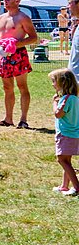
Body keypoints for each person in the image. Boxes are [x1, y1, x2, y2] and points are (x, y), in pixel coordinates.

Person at [0, 0, 39, 128]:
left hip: (18, 55)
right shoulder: (2, 17)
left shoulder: (23, 17)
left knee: (22, 86)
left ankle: (23, 120)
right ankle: (8, 119)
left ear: (17, 1)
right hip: (3, 55)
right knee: (7, 87)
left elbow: (33, 37)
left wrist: (15, 45)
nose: (5, 1)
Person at [49, 68, 79, 196]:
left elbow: (58, 114)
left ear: (63, 83)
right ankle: (64, 186)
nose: (52, 84)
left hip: (65, 134)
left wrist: (54, 103)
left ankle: (77, 187)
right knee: (67, 160)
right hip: (74, 134)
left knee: (62, 160)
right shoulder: (75, 98)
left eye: (54, 81)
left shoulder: (66, 99)